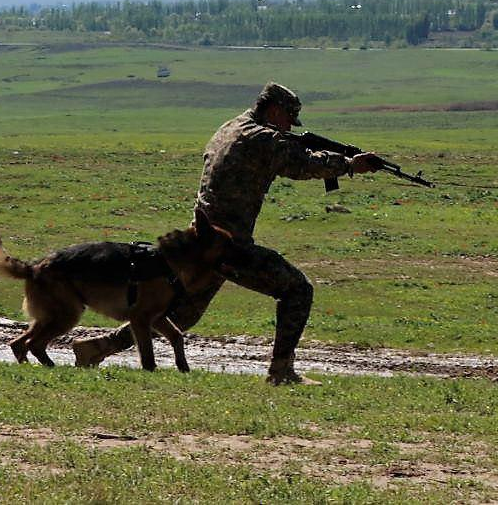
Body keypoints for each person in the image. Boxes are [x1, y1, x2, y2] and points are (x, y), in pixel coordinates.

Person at [72, 82, 381, 385]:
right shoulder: (261, 137)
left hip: (203, 241)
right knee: (297, 289)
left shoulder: (230, 127)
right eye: (288, 119)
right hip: (228, 245)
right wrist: (351, 164)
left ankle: (97, 348)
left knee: (182, 315)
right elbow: (301, 165)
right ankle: (282, 371)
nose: (289, 127)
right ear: (273, 110)